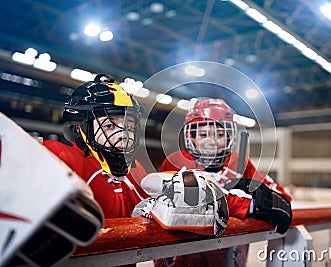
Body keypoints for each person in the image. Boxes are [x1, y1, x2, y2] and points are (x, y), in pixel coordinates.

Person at [158, 98, 292, 266]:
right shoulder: (177, 161)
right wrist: (247, 205)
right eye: (203, 134)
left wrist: (262, 195)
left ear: (230, 136)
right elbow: (195, 202)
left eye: (220, 134)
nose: (211, 141)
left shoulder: (240, 163)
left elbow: (281, 199)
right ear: (191, 137)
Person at [44, 73, 149, 218]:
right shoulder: (65, 161)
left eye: (129, 127)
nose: (124, 134)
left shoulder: (135, 170)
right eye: (109, 125)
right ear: (79, 127)